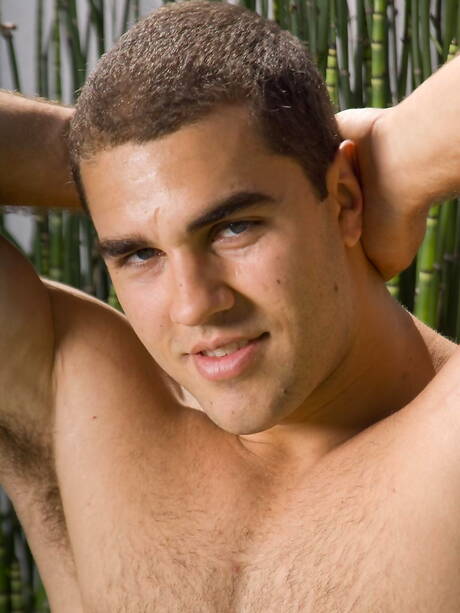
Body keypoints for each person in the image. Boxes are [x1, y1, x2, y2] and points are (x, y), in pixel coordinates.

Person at [1, 2, 459, 610]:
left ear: (346, 199)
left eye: (232, 228)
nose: (194, 306)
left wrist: (402, 159)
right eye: (140, 253)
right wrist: (104, 160)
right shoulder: (75, 402)